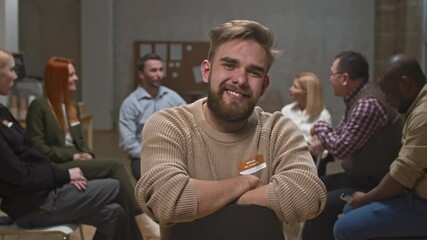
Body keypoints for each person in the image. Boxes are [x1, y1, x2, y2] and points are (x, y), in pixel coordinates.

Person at [134, 19, 327, 240]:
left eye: (254, 72)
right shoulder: (170, 125)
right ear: (206, 71)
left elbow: (309, 196)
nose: (240, 79)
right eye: (229, 65)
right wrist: (244, 183)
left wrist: (221, 198)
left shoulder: (278, 130)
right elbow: (166, 200)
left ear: (264, 85)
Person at [0, 48, 142, 240]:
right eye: (11, 70)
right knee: (115, 186)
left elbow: (33, 155)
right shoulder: (39, 107)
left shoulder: (3, 110)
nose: (15, 76)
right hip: (35, 204)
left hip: (46, 189)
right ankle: (143, 225)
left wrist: (63, 176)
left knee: (114, 212)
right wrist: (63, 174)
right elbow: (21, 172)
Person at [302, 51, 403, 240]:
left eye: (332, 75)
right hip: (360, 176)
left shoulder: (368, 103)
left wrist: (321, 128)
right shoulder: (357, 99)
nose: (330, 79)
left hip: (377, 182)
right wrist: (324, 138)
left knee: (322, 203)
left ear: (345, 78)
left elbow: (341, 147)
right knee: (315, 188)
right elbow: (342, 134)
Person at [333, 54, 427, 239]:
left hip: (421, 201)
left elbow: (403, 173)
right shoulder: (415, 106)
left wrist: (367, 198)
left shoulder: (423, 114)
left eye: (389, 92)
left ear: (406, 83)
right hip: (410, 191)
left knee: (344, 227)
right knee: (348, 207)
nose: (387, 99)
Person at [119, 53, 186, 181]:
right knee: (157, 181)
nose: (159, 75)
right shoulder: (130, 104)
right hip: (143, 157)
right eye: (153, 70)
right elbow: (128, 142)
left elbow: (189, 122)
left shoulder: (172, 97)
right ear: (141, 74)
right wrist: (151, 155)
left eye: (161, 70)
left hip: (172, 153)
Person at [281, 72, 332, 176]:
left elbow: (325, 152)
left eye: (295, 87)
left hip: (312, 167)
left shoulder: (324, 116)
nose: (290, 89)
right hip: (286, 162)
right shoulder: (286, 111)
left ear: (306, 93)